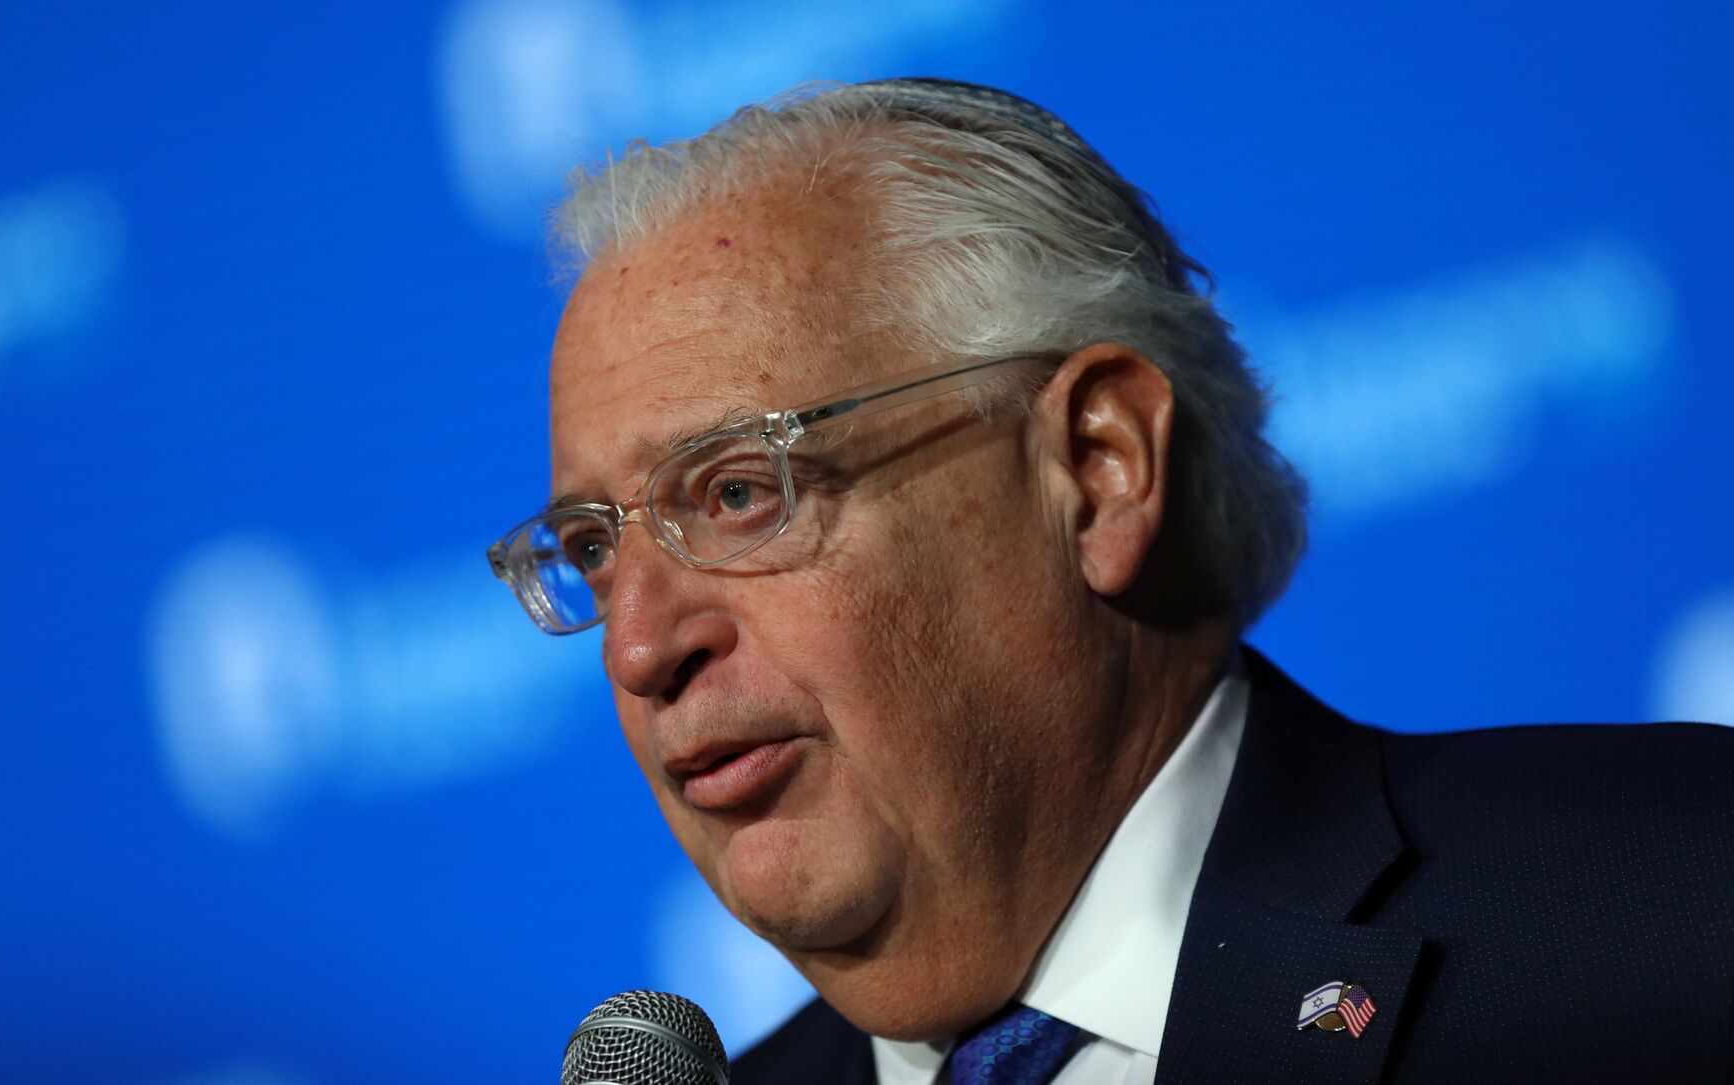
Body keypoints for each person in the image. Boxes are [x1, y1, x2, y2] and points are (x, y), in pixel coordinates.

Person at [487, 78, 1734, 1084]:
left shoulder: (1673, 906)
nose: (638, 648)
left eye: (736, 493)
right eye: (594, 549)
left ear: (1097, 467)